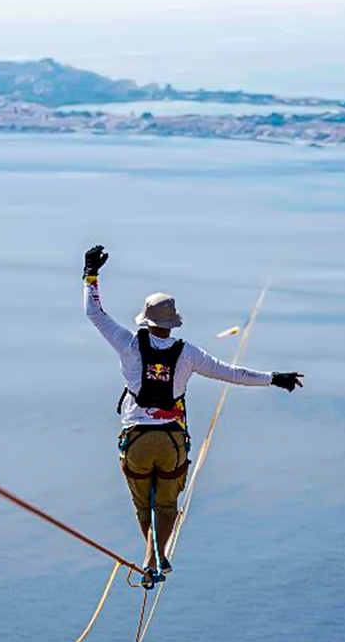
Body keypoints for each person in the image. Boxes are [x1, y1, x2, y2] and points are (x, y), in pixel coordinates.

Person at [82, 245, 302, 584]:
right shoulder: (189, 354)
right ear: (172, 324)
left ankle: (151, 556)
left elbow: (95, 314)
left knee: (144, 506)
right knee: (167, 505)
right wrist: (275, 378)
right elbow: (232, 373)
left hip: (136, 440)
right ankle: (159, 555)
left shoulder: (127, 344)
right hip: (171, 440)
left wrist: (90, 275)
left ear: (145, 320)